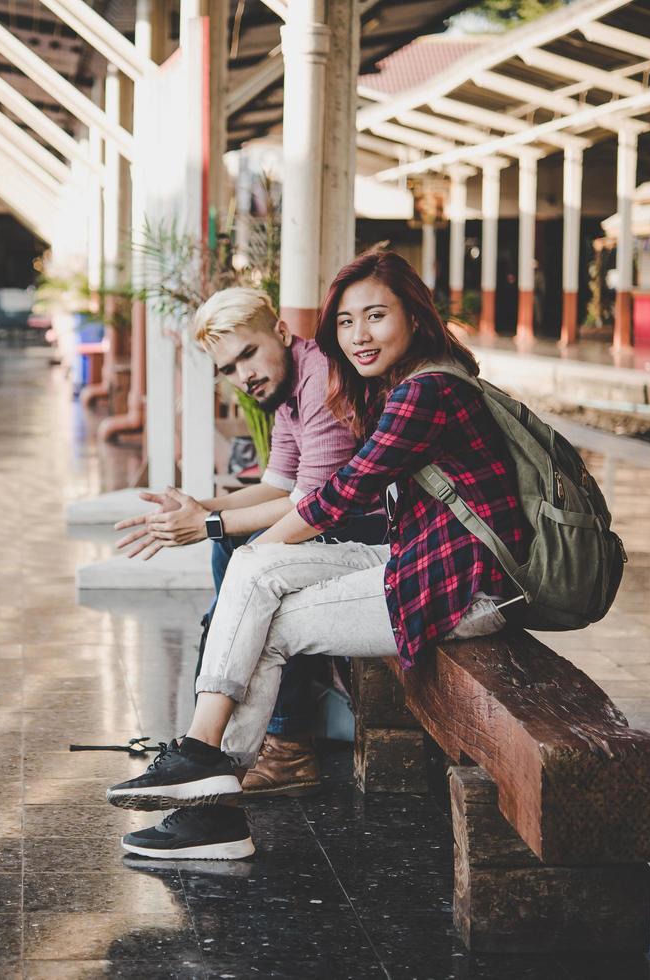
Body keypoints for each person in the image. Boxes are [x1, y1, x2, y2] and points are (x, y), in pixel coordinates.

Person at [106, 251, 527, 860]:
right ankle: (207, 785)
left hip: (464, 584)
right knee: (254, 581)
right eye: (347, 322)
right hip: (420, 558)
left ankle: (208, 791)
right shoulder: (397, 383)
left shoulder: (425, 392)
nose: (358, 335)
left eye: (376, 316)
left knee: (258, 597)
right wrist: (219, 526)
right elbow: (300, 491)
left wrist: (222, 533)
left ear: (414, 314)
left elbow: (334, 496)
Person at [113, 288, 386, 798]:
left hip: (381, 531)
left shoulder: (321, 377)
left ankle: (285, 742)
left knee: (248, 554)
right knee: (231, 545)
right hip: (338, 519)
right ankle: (254, 726)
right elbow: (277, 487)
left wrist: (210, 525)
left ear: (281, 332)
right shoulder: (288, 387)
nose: (244, 376)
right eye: (229, 369)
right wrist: (203, 507)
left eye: (248, 354)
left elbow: (312, 506)